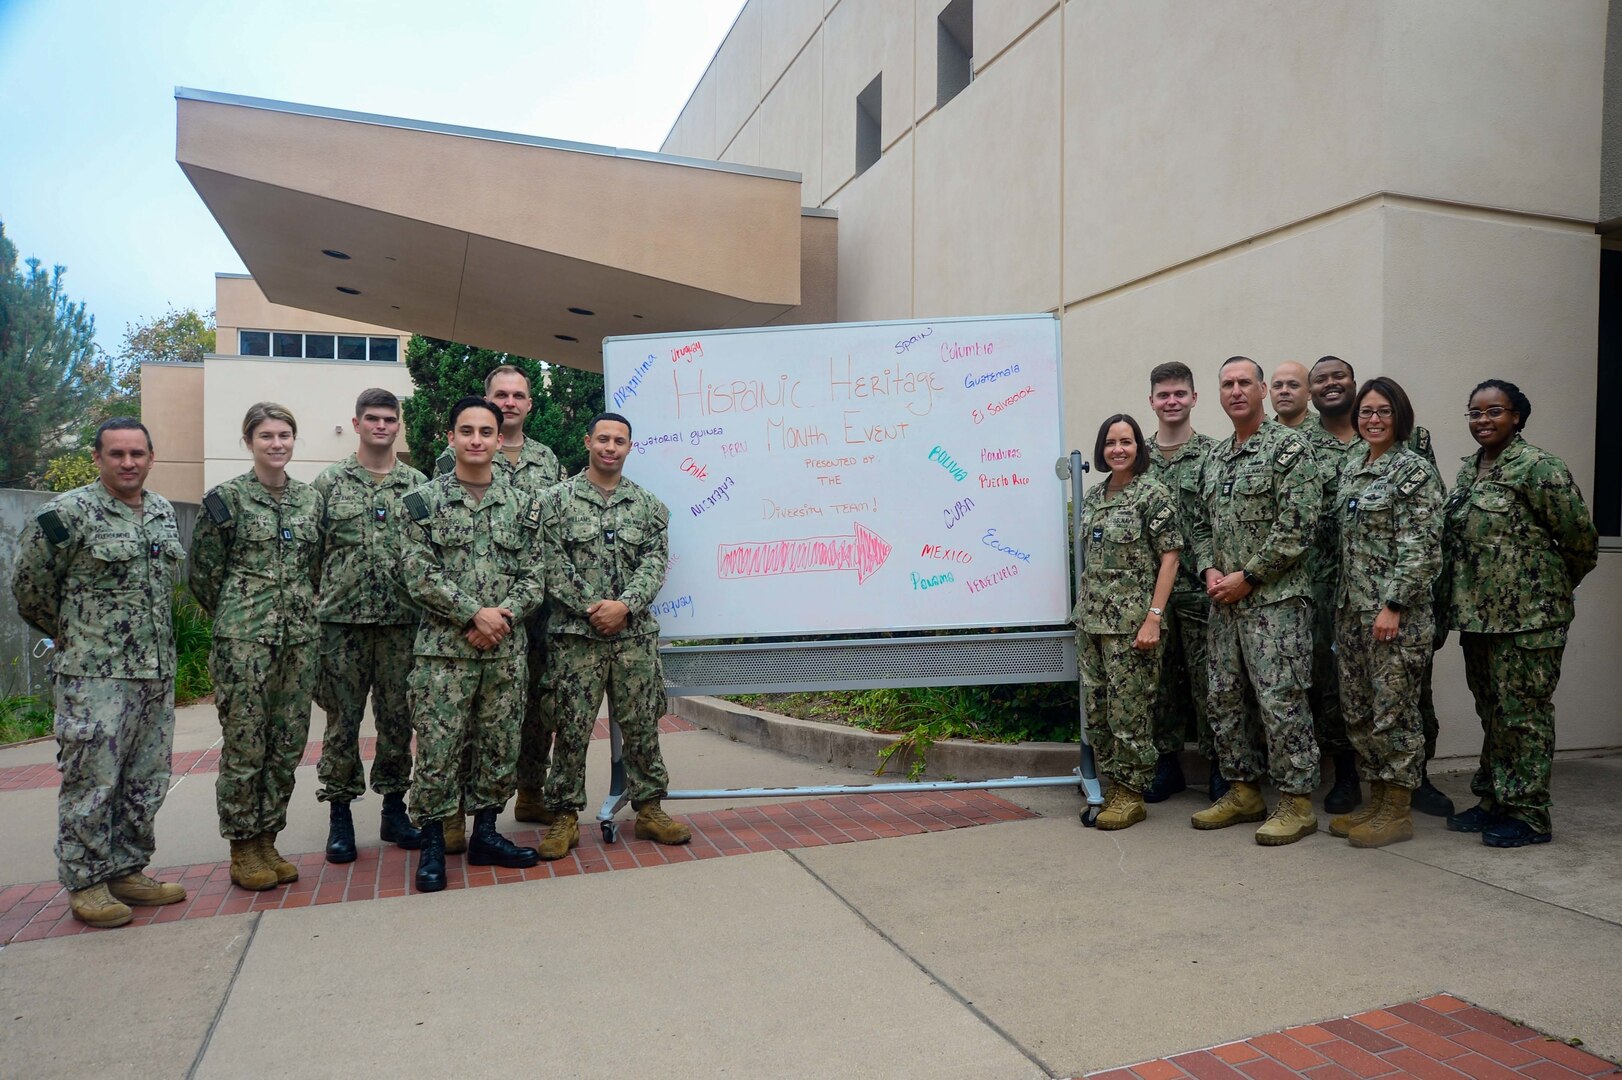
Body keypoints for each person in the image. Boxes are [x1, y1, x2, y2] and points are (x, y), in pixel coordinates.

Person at [11, 418, 188, 927]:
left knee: (146, 778)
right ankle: (86, 882)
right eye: (117, 454)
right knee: (92, 780)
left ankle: (127, 869)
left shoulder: (158, 511)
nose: (128, 462)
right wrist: (74, 632)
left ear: (151, 457)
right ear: (98, 458)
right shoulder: (66, 515)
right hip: (95, 677)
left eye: (137, 453)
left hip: (155, 674)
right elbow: (30, 589)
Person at [395, 396, 547, 892]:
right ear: (451, 438)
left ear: (499, 440)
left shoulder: (524, 506)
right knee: (439, 751)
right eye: (467, 431)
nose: (476, 440)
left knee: (498, 746)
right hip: (444, 654)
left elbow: (536, 575)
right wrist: (471, 613)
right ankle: (435, 843)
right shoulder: (421, 502)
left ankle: (486, 834)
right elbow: (416, 574)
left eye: (486, 432)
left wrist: (499, 617)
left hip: (504, 650)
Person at [1441, 380, 1597, 848]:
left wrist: (1542, 592)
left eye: (1494, 412)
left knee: (1522, 715)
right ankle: (1494, 800)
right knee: (1492, 712)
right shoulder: (1470, 469)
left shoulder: (1538, 467)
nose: (1483, 421)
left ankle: (1529, 815)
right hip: (1479, 619)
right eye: (1474, 413)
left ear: (1518, 417)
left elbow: (1580, 543)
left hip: (1530, 621)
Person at [536, 411, 691, 858]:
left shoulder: (647, 506)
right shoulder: (555, 502)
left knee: (642, 724)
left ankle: (649, 810)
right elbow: (551, 564)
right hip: (575, 637)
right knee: (570, 727)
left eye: (618, 441)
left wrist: (624, 607)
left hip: (633, 636)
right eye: (602, 438)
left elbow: (654, 563)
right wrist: (593, 609)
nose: (609, 447)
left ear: (629, 447)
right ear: (587, 441)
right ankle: (563, 816)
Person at [189, 403, 324, 891]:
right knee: (246, 746)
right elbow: (204, 575)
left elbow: (316, 565)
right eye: (266, 435)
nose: (277, 444)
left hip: (299, 641)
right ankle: (242, 846)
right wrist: (242, 614)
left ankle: (269, 837)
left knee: (287, 744)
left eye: (285, 434)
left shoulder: (311, 501)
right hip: (244, 642)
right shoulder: (225, 500)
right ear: (249, 441)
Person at [1191, 357, 1324, 845]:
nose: (1235, 391)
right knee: (1224, 697)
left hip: (1276, 601)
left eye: (1244, 382)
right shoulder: (1216, 456)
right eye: (1226, 384)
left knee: (1281, 699)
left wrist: (1249, 576)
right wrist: (1209, 569)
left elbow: (1299, 525)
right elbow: (1201, 524)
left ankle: (1296, 802)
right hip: (1224, 602)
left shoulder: (1289, 448)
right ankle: (1243, 789)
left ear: (1264, 390)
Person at [437, 365, 566, 839]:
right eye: (501, 395)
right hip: (466, 617)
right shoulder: (450, 458)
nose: (510, 402)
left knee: (535, 709)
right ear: (488, 400)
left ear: (529, 404)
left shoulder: (548, 460)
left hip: (530, 615)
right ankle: (451, 809)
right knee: (464, 715)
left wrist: (510, 612)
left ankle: (531, 792)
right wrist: (473, 612)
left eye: (518, 396)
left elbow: (550, 537)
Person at [311, 389, 427, 863]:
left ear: (399, 425)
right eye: (372, 418)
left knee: (398, 722)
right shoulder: (329, 484)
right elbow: (310, 556)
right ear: (356, 424)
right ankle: (340, 816)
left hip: (403, 625)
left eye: (389, 419)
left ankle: (394, 809)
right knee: (342, 725)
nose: (381, 426)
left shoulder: (419, 487)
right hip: (343, 626)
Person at [1329, 378, 1443, 847]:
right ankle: (1375, 801)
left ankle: (1397, 810)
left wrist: (1394, 605)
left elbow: (1423, 547)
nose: (1373, 420)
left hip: (1394, 617)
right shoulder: (1353, 464)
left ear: (1400, 416)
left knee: (1394, 712)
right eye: (1366, 412)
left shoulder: (1413, 471)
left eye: (1383, 411)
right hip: (1351, 613)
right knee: (1358, 711)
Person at [1073, 414, 1182, 829]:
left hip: (1133, 626)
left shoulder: (1152, 495)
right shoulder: (1096, 496)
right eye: (1111, 442)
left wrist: (1154, 617)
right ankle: (1114, 787)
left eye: (1127, 441)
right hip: (1093, 624)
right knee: (1099, 712)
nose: (1118, 449)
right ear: (1102, 449)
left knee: (1129, 712)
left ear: (1139, 447)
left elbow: (1170, 556)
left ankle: (1133, 793)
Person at [1142, 362, 1221, 801]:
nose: (1172, 402)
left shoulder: (1215, 454)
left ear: (1194, 398)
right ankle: (1166, 765)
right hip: (1151, 590)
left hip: (1198, 587)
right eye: (1163, 395)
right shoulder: (1136, 457)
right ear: (1151, 401)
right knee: (1159, 682)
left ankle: (1218, 767)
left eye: (1179, 394)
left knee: (1209, 681)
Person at [1301, 355, 1361, 813]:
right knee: (1331, 686)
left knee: (1405, 689)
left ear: (1353, 382)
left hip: (1385, 589)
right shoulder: (1299, 445)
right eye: (1320, 380)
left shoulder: (1398, 435)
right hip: (1323, 590)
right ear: (1311, 392)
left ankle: (1412, 781)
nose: (1330, 384)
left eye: (1338, 376)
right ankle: (1346, 776)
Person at [1268, 362, 1312, 427]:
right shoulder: (1260, 434)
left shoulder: (1327, 429)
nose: (1284, 391)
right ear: (1270, 393)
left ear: (1309, 393)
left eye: (1293, 385)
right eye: (1277, 386)